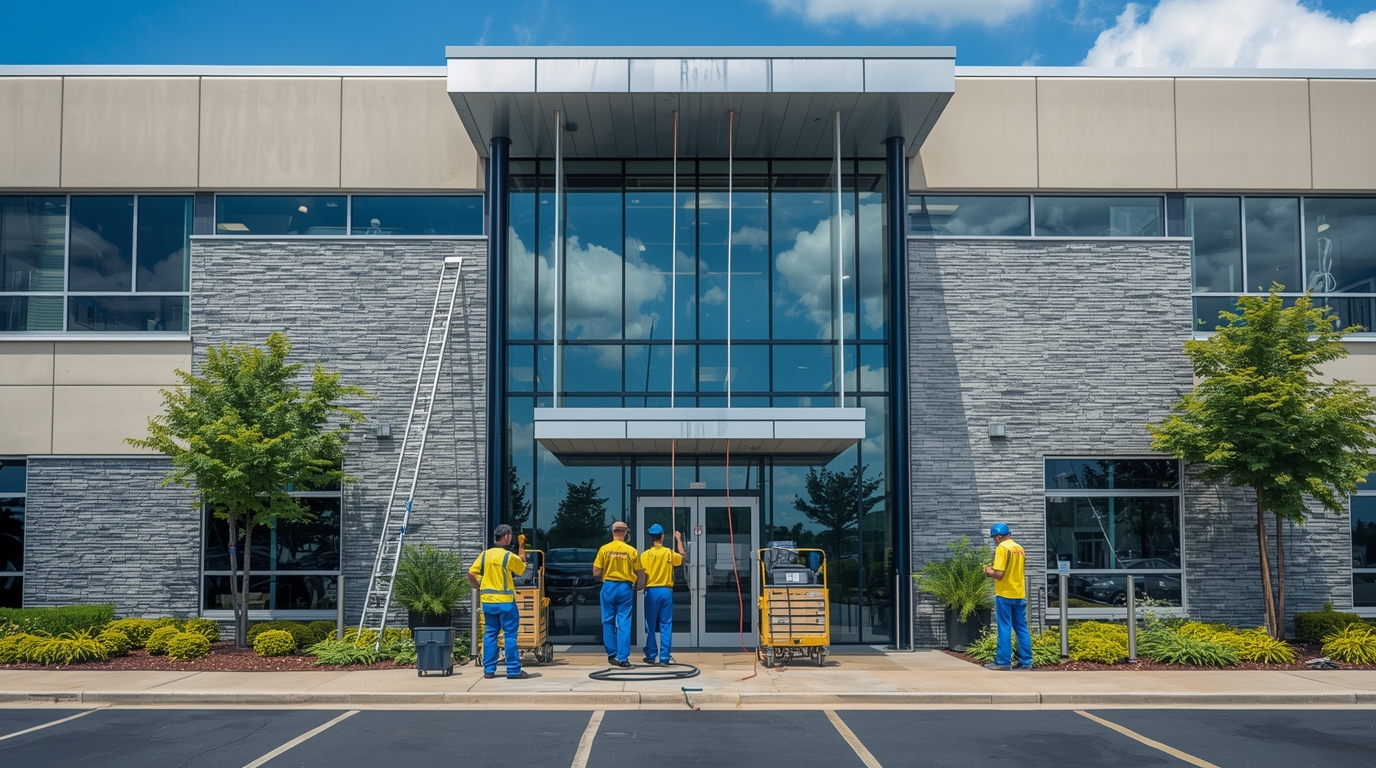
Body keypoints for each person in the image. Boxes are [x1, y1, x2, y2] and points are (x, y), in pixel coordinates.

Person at [467, 524, 532, 680]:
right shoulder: (507, 556)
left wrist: (478, 586)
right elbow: (521, 567)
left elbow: (471, 573)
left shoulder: (484, 555)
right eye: (510, 535)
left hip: (488, 603)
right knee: (510, 636)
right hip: (506, 603)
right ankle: (514, 671)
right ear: (506, 536)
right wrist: (521, 545)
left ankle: (489, 670)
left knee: (490, 634)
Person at [593, 520, 644, 668]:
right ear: (625, 533)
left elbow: (596, 572)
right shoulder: (631, 551)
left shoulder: (604, 549)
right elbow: (639, 573)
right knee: (624, 622)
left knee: (607, 621)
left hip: (608, 586)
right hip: (625, 587)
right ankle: (623, 658)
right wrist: (640, 585)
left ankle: (611, 654)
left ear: (613, 532)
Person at [982, 522, 1033, 670]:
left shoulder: (1002, 548)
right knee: (1022, 628)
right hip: (1019, 593)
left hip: (1005, 593)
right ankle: (1026, 661)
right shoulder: (1019, 548)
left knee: (1004, 627)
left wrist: (988, 571)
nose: (994, 541)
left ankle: (1002, 662)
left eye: (994, 538)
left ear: (998, 537)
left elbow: (999, 574)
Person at [640, 523, 685, 665]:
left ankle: (651, 654)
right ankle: (664, 657)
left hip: (651, 591)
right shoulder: (668, 553)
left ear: (651, 537)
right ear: (662, 536)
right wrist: (678, 539)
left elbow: (642, 575)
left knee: (650, 624)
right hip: (666, 591)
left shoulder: (645, 555)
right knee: (666, 624)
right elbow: (683, 556)